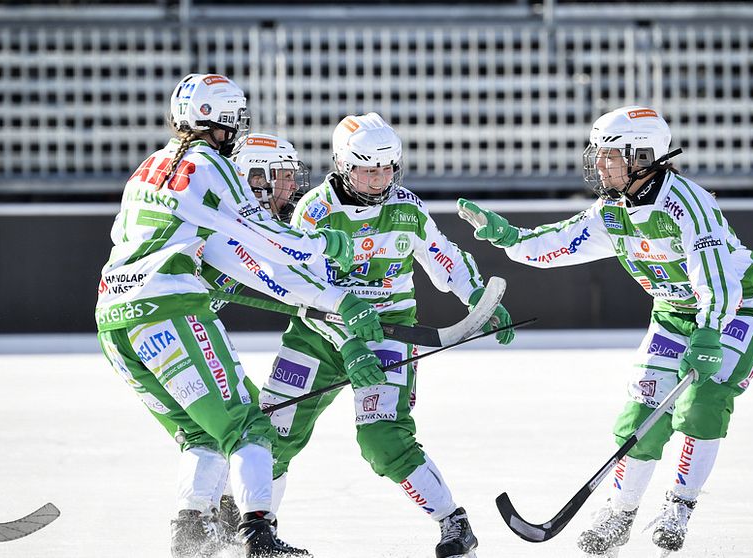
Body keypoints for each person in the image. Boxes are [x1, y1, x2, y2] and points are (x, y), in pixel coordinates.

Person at [457, 106, 753, 556]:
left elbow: (717, 280)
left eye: (611, 156)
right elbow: (560, 242)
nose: (601, 165)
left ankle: (678, 509)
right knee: (639, 416)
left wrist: (708, 332)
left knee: (702, 405)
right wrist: (509, 237)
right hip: (673, 313)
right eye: (600, 155)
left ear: (644, 157)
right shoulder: (613, 211)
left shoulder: (688, 205)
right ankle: (622, 514)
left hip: (737, 312)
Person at [95, 73, 360, 558]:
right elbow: (264, 236)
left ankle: (192, 538)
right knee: (248, 425)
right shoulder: (210, 165)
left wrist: (312, 295)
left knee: (202, 432)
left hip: (114, 320)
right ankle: (258, 536)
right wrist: (321, 247)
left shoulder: (150, 165)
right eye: (235, 119)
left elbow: (220, 253)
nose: (237, 129)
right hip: (166, 308)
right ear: (218, 121)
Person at [255, 112, 514, 558]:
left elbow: (443, 257)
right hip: (318, 331)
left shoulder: (407, 208)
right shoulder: (315, 211)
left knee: (383, 438)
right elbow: (302, 288)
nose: (378, 179)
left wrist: (478, 299)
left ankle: (454, 522)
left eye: (387, 168)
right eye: (367, 169)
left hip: (389, 333)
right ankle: (258, 531)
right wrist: (348, 342)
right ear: (342, 164)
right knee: (270, 431)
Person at [170, 132, 386, 557]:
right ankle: (210, 532)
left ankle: (209, 529)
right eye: (283, 177)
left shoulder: (238, 218)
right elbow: (288, 283)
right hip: (171, 324)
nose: (292, 187)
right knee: (242, 422)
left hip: (149, 327)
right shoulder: (235, 223)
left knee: (220, 427)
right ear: (253, 178)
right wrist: (339, 313)